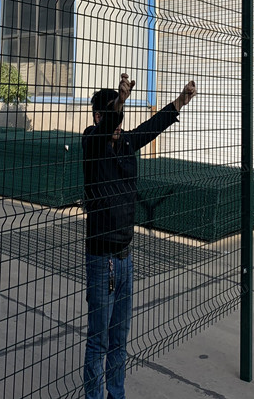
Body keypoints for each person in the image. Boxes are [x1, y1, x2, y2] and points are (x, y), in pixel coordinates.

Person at [82, 73, 197, 399]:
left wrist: (181, 100)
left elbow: (154, 125)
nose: (118, 123)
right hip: (101, 259)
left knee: (119, 339)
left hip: (125, 258)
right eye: (112, 114)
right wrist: (120, 102)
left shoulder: (127, 144)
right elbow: (107, 125)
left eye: (120, 115)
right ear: (99, 116)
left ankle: (115, 394)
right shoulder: (91, 143)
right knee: (99, 340)